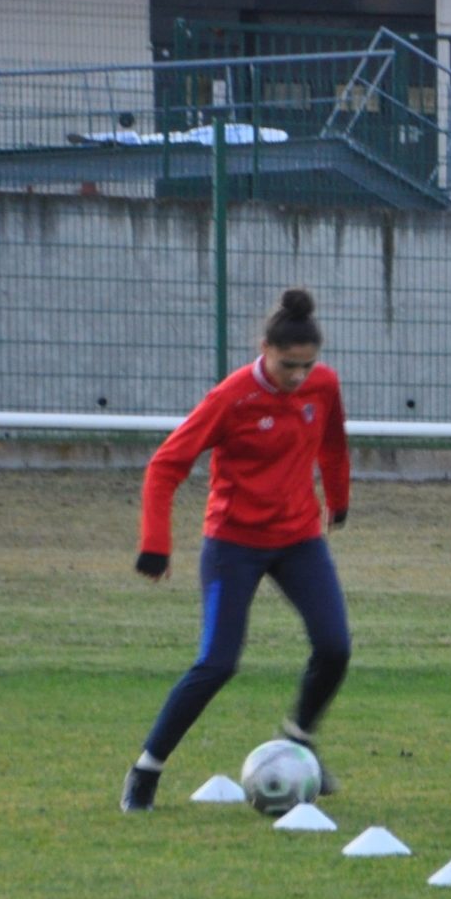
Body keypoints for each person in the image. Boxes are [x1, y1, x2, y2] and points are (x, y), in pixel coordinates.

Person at [121, 288, 353, 812]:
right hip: (234, 545)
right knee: (217, 663)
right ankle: (145, 771)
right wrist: (156, 543)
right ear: (264, 348)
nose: (298, 377)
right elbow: (165, 466)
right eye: (288, 365)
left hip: (299, 540)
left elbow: (334, 443)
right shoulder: (231, 398)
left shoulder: (324, 385)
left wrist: (338, 499)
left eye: (307, 365)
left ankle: (299, 741)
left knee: (335, 646)